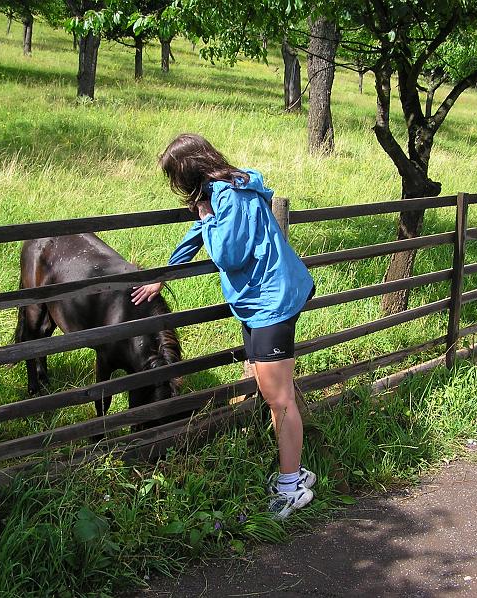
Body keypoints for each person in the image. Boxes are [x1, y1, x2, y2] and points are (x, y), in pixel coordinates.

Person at [131, 133, 317, 519]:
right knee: (271, 392)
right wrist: (164, 273)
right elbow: (198, 235)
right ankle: (293, 471)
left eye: (175, 176)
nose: (175, 185)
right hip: (262, 298)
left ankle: (291, 485)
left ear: (189, 171)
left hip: (271, 301)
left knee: (278, 397)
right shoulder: (224, 190)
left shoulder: (227, 197)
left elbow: (227, 254)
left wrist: (207, 218)